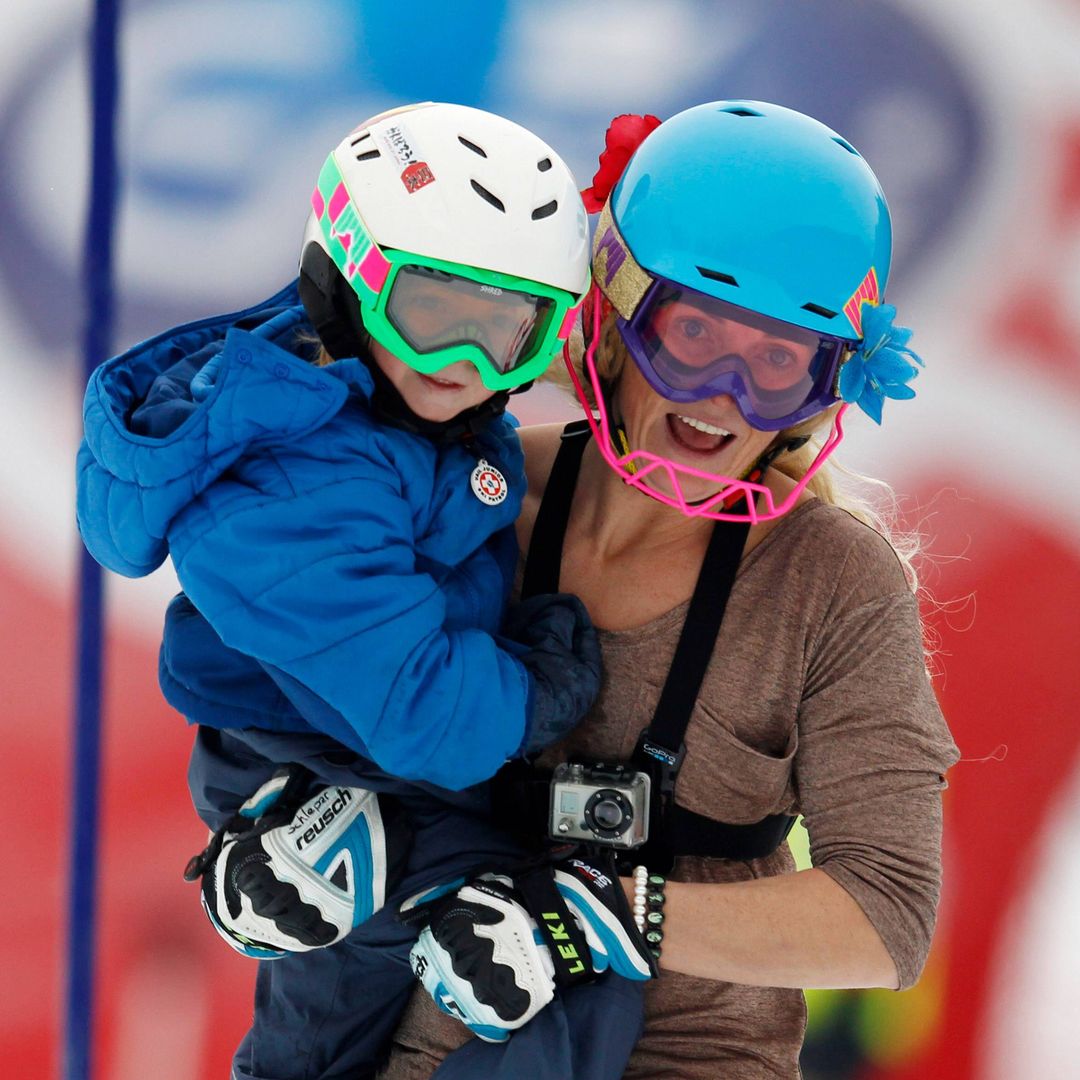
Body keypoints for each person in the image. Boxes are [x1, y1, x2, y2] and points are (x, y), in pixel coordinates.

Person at [377, 101, 960, 1079]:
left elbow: (887, 917)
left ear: (828, 382)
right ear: (611, 310)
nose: (725, 396)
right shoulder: (478, 498)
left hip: (687, 1056)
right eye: (695, 334)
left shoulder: (832, 585)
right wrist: (278, 826)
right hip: (419, 1041)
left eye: (779, 360)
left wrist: (605, 920)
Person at [75, 102, 657, 1080]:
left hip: (349, 754)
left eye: (505, 334)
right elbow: (429, 717)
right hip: (346, 767)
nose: (465, 368)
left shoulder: (384, 410)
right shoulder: (295, 485)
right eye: (433, 317)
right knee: (561, 966)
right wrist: (547, 675)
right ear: (347, 277)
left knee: (329, 1027)